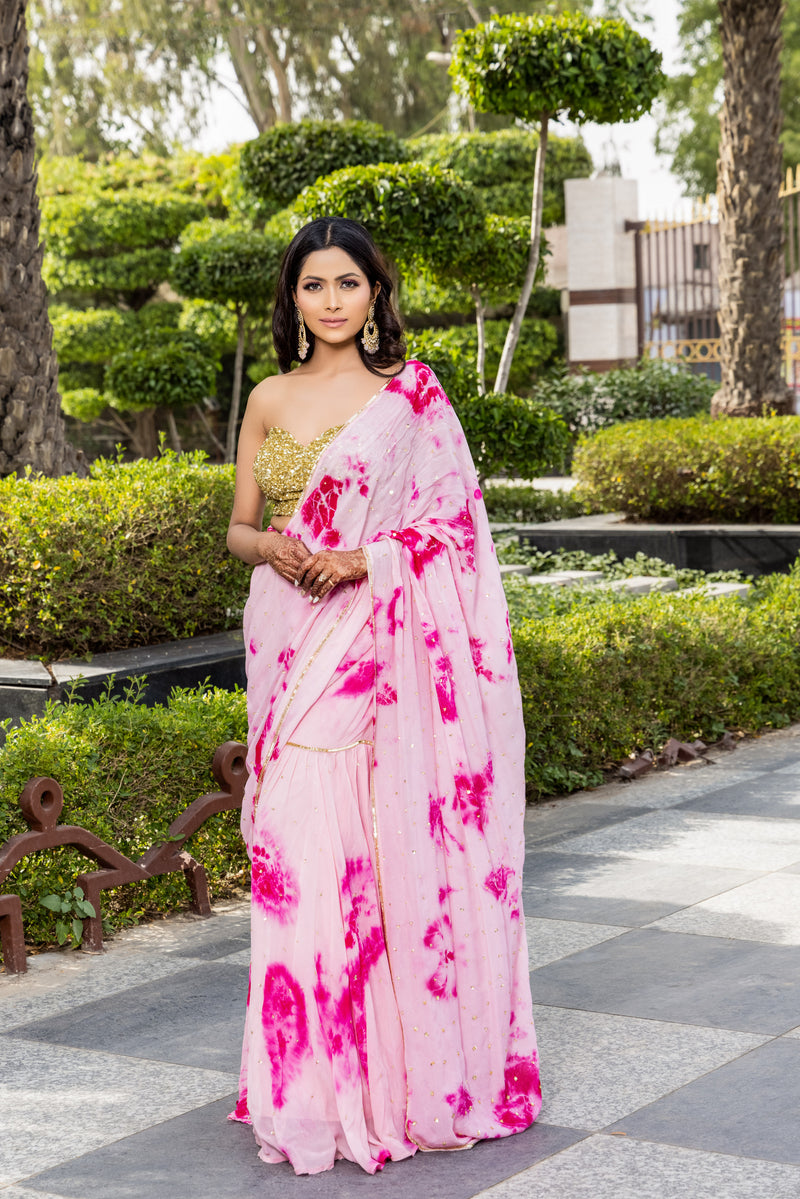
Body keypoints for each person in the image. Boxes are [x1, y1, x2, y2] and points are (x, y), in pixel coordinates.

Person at [226, 217, 541, 1176]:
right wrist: (276, 548)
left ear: (375, 294)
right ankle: (309, 1078)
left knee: (375, 841)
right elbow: (240, 526)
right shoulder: (270, 398)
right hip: (291, 635)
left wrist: (364, 558)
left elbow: (452, 530)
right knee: (297, 836)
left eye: (347, 284)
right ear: (292, 300)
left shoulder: (410, 404)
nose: (330, 300)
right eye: (312, 285)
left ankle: (390, 1079)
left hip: (378, 638)